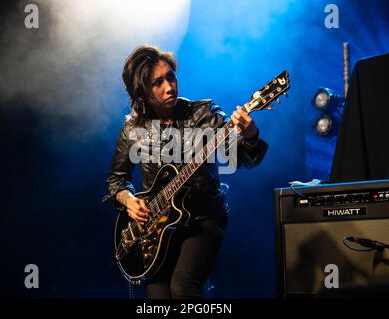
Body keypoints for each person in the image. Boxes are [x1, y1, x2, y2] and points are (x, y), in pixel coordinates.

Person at [104, 45, 268, 298]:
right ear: (142, 93)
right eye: (158, 82)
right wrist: (130, 201)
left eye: (171, 76)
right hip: (156, 229)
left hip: (203, 218)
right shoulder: (131, 129)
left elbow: (242, 159)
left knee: (183, 289)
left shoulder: (204, 114)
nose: (169, 86)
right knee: (158, 298)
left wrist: (250, 136)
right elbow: (116, 181)